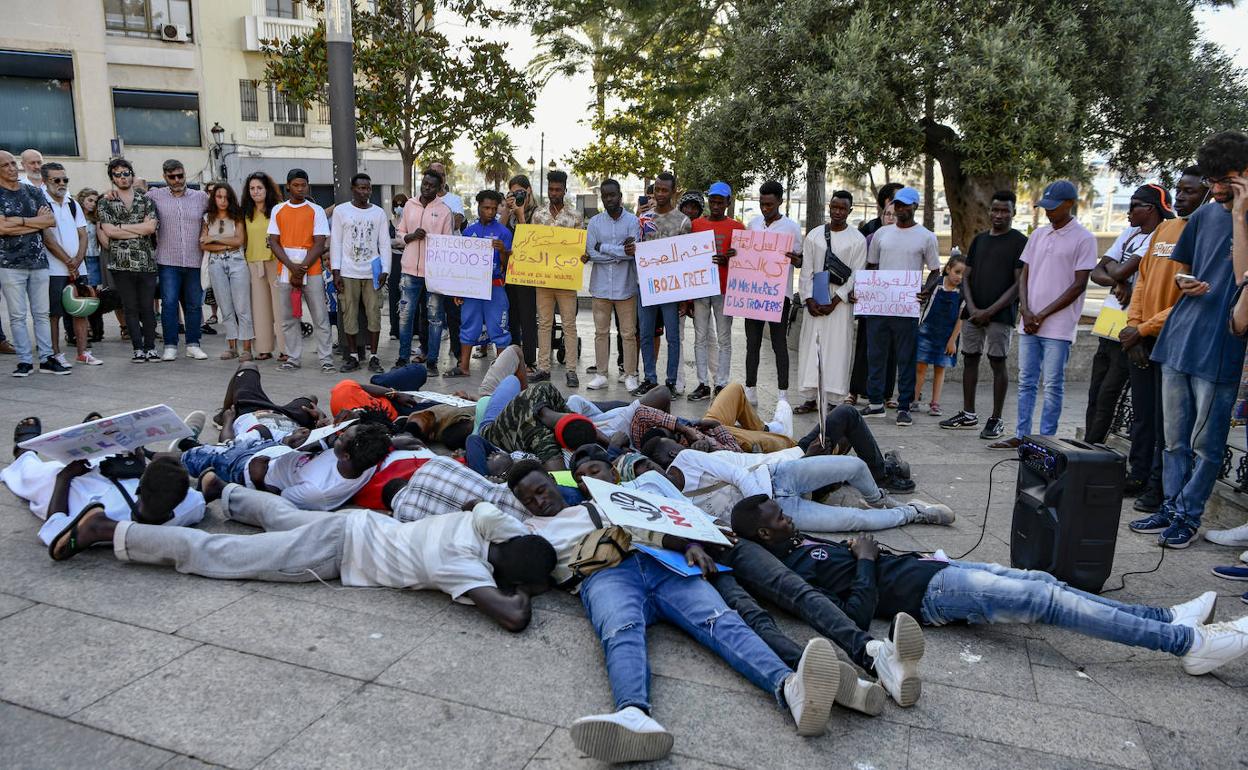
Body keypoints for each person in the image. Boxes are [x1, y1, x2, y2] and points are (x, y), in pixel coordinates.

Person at [505, 462, 845, 763]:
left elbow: (645, 527)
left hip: (657, 564)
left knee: (721, 620)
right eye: (528, 500)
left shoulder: (598, 503)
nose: (539, 501)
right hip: (602, 577)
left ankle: (789, 688)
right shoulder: (529, 531)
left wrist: (691, 545)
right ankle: (633, 715)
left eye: (541, 490)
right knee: (620, 631)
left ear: (552, 481)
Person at [731, 495, 1248, 678]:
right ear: (761, 534)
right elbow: (857, 616)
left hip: (932, 570)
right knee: (1042, 599)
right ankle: (1190, 645)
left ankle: (1165, 620)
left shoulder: (798, 547)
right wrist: (865, 561)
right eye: (778, 519)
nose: (787, 520)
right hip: (930, 595)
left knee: (1043, 579)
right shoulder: (793, 574)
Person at [48, 481, 556, 633]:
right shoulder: (463, 569)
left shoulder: (485, 526)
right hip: (340, 549)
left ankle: (226, 492)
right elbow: (511, 616)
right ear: (504, 570)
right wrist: (526, 591)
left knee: (285, 517)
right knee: (224, 554)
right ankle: (109, 530)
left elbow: (482, 505)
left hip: (362, 524)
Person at [1130, 131, 1248, 548]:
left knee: (1206, 442)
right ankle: (1170, 505)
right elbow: (1183, 269)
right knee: (1175, 438)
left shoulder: (1240, 215)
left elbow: (1239, 278)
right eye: (1213, 181)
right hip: (1180, 336)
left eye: (1224, 180)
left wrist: (1240, 214)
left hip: (1220, 346)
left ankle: (1189, 515)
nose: (1215, 189)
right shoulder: (1204, 214)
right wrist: (1185, 281)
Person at [1120, 169, 1208, 517]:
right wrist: (1134, 327)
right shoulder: (1165, 230)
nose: (1182, 198)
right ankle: (1138, 475)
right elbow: (1142, 282)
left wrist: (1143, 330)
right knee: (1142, 416)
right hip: (1142, 338)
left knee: (1166, 424)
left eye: (1190, 192)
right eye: (1180, 191)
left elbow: (1190, 298)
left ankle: (1159, 488)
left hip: (1175, 342)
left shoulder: (1205, 233)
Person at [987, 180, 1097, 450]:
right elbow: (1025, 273)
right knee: (1025, 381)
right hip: (1030, 321)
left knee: (1052, 385)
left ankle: (1047, 437)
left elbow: (1079, 284)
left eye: (1054, 207)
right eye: (1045, 206)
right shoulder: (1038, 234)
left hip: (1058, 326)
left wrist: (1044, 314)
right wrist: (1025, 309)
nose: (1048, 211)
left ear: (1070, 205)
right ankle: (1021, 434)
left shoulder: (1084, 238)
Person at [643, 437, 952, 532]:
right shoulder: (673, 503)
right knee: (854, 521)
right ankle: (913, 513)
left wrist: (764, 502)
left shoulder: (687, 458)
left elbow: (738, 475)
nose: (651, 473)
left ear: (665, 458)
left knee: (855, 466)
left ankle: (882, 499)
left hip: (779, 477)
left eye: (648, 465)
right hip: (778, 513)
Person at [1084, 185, 1171, 449]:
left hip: (1131, 328)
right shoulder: (1131, 232)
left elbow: (1118, 268)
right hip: (1108, 324)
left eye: (1134, 206)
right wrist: (1119, 281)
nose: (1128, 212)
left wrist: (1116, 274)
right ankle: (1087, 445)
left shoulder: (1158, 236)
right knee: (1096, 391)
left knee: (1110, 392)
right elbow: (1096, 272)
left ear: (1151, 209)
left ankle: (1094, 447)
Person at [940, 191, 1027, 439]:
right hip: (973, 312)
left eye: (1004, 210)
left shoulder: (1019, 241)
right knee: (970, 358)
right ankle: (968, 413)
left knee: (997, 362)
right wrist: (973, 306)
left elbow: (1018, 284)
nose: (999, 215)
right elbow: (966, 276)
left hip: (999, 314)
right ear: (989, 211)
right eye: (995, 210)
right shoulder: (979, 240)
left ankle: (996, 418)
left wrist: (990, 311)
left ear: (1013, 212)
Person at [2, 445, 204, 547]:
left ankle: (24, 455)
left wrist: (65, 477)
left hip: (74, 488)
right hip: (114, 479)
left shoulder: (102, 514)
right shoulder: (192, 504)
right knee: (111, 455)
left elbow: (54, 526)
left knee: (39, 475)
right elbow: (178, 490)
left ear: (140, 487)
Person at [861, 186, 941, 427]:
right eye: (897, 204)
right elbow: (872, 266)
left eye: (905, 205)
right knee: (875, 354)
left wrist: (926, 291)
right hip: (880, 306)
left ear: (915, 207)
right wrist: (868, 291)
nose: (900, 209)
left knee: (905, 358)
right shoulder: (881, 234)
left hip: (906, 308)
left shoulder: (926, 236)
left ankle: (904, 405)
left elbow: (936, 270)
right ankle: (875, 402)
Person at [795, 191, 865, 414]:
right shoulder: (815, 235)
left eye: (842, 208)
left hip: (840, 303)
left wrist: (835, 301)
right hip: (815, 299)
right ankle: (810, 398)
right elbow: (806, 271)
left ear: (849, 210)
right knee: (811, 347)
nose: (837, 212)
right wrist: (809, 299)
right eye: (834, 207)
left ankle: (834, 398)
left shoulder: (857, 240)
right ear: (829, 207)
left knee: (837, 348)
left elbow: (857, 274)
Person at [742, 180, 804, 406]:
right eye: (762, 204)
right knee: (752, 343)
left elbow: (800, 261)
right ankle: (750, 389)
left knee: (779, 344)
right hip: (753, 294)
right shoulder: (753, 224)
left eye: (769, 204)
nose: (765, 208)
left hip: (779, 295)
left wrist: (793, 258)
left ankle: (783, 393)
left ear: (779, 201)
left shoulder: (791, 228)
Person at [268, 168, 334, 373]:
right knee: (288, 317)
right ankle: (293, 358)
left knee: (320, 316)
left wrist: (302, 267)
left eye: (303, 185)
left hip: (311, 269)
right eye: (295, 185)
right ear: (288, 186)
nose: (299, 189)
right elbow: (273, 241)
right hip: (286, 269)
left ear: (308, 186)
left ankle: (326, 359)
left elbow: (320, 242)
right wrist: (291, 267)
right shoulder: (278, 210)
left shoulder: (316, 210)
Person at [144, 159, 209, 361]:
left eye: (180, 175)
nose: (177, 180)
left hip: (194, 259)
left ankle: (193, 343)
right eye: (172, 177)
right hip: (168, 260)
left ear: (185, 174)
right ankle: (170, 344)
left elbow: (222, 209)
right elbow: (132, 200)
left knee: (194, 305)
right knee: (169, 303)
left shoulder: (200, 197)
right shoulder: (155, 196)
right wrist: (112, 194)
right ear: (165, 177)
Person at [95, 158, 159, 363]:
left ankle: (151, 347)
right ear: (112, 178)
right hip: (120, 264)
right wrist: (137, 229)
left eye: (126, 173)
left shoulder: (146, 200)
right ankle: (138, 348)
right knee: (130, 307)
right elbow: (109, 231)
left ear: (132, 174)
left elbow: (150, 228)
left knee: (148, 307)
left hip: (145, 262)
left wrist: (121, 228)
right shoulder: (105, 201)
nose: (122, 177)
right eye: (117, 174)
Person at [0, 150, 57, 378]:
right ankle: (24, 361)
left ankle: (46, 358)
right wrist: (35, 222)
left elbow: (50, 220)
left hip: (38, 261)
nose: (12, 168)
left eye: (13, 163)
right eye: (5, 165)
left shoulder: (33, 192)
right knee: (17, 316)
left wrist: (18, 222)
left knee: (42, 313)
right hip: (9, 263)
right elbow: (1, 228)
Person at [634, 171, 691, 396]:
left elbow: (688, 260)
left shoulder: (683, 221)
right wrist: (632, 248)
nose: (659, 194)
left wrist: (686, 297)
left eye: (664, 190)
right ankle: (649, 378)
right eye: (657, 189)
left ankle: (671, 381)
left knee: (673, 336)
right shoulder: (644, 218)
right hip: (646, 285)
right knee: (646, 333)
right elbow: (636, 246)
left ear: (673, 192)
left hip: (671, 287)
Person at [849, 183, 904, 405]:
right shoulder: (869, 229)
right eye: (897, 199)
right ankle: (855, 390)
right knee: (864, 343)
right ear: (885, 202)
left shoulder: (906, 230)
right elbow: (860, 262)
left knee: (892, 346)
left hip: (895, 299)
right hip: (870, 299)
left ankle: (886, 393)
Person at [689, 180, 744, 400]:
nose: (716, 205)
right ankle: (702, 383)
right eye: (712, 200)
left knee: (724, 338)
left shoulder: (738, 228)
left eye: (720, 202)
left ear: (728, 202)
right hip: (701, 289)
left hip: (724, 289)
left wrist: (731, 258)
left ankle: (721, 383)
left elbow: (746, 260)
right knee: (700, 337)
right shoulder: (696, 225)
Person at [396, 168, 456, 372]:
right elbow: (399, 234)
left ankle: (432, 362)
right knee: (405, 315)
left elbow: (448, 243)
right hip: (409, 271)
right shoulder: (409, 205)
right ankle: (403, 359)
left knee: (435, 318)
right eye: (424, 183)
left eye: (431, 185)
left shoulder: (445, 211)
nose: (426, 188)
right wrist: (411, 236)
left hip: (434, 273)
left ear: (439, 188)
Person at [584, 179, 641, 391]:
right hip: (600, 287)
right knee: (601, 332)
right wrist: (618, 252)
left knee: (628, 333)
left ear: (620, 196)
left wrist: (604, 247)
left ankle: (630, 374)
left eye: (613, 195)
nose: (609, 199)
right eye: (605, 196)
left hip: (625, 287)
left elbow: (632, 253)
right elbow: (592, 253)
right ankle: (601, 374)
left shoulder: (632, 222)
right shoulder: (595, 223)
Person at [530, 169, 584, 387]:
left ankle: (571, 370)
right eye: (551, 189)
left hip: (566, 280)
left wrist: (583, 255)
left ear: (564, 190)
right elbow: (532, 244)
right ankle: (543, 368)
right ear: (548, 189)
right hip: (543, 279)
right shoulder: (538, 215)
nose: (554, 193)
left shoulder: (575, 217)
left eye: (558, 189)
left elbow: (580, 248)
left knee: (569, 324)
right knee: (544, 323)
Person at [330, 173, 389, 374]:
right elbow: (335, 243)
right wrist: (335, 272)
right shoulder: (341, 211)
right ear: (353, 189)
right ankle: (353, 356)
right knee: (349, 314)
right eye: (361, 188)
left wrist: (385, 270)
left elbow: (384, 243)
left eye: (368, 188)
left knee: (374, 313)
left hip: (372, 271)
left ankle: (374, 356)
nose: (365, 192)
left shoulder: (379, 213)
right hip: (348, 271)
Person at [40, 162, 97, 369]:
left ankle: (83, 353)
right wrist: (67, 261)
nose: (62, 183)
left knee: (80, 310)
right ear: (46, 181)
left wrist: (78, 260)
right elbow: (47, 238)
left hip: (77, 267)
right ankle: (56, 354)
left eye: (65, 179)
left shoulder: (72, 203)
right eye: (57, 180)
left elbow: (83, 234)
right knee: (54, 313)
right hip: (54, 269)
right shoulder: (42, 203)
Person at [456, 190, 514, 377]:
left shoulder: (504, 233)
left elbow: (509, 267)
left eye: (493, 209)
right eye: (485, 208)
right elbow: (461, 264)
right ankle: (463, 366)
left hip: (495, 285)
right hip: (472, 287)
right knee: (468, 325)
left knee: (499, 328)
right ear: (478, 207)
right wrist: (458, 291)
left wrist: (504, 251)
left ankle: (502, 373)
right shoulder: (468, 232)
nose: (489, 212)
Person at [201, 182, 252, 361]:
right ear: (214, 198)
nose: (223, 201)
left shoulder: (237, 215)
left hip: (237, 260)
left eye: (226, 197)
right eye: (219, 196)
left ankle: (246, 348)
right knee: (225, 307)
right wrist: (224, 243)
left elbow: (239, 241)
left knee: (242, 307)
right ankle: (232, 347)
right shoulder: (208, 217)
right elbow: (202, 243)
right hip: (216, 263)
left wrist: (213, 238)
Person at [914, 253, 966, 416]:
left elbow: (961, 318)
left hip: (947, 335)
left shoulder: (963, 292)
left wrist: (952, 340)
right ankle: (914, 399)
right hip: (927, 331)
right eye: (957, 272)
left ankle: (935, 403)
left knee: (940, 367)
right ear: (948, 269)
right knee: (920, 366)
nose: (959, 277)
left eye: (964, 274)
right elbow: (923, 299)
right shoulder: (936, 284)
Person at [242, 171, 285, 361]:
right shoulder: (245, 212)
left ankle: (286, 349)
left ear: (267, 189)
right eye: (252, 188)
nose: (255, 192)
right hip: (253, 261)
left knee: (280, 308)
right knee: (260, 309)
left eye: (259, 188)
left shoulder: (278, 210)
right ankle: (264, 348)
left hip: (275, 261)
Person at [502, 174, 540, 370]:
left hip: (529, 271)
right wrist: (508, 211)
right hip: (510, 268)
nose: (517, 195)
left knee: (527, 315)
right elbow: (499, 232)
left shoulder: (537, 212)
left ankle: (530, 359)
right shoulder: (508, 210)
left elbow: (530, 240)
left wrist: (520, 214)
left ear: (529, 191)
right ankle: (513, 356)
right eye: (513, 192)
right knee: (512, 314)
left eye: (520, 192)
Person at [75, 187, 108, 343]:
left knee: (94, 294)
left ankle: (97, 330)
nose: (93, 204)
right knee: (82, 293)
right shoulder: (75, 217)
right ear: (81, 199)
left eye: (95, 201)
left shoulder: (96, 219)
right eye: (90, 200)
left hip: (94, 258)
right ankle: (84, 328)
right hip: (81, 258)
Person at [387, 192, 408, 341]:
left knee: (408, 295)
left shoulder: (409, 222)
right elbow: (387, 241)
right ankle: (394, 329)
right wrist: (398, 242)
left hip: (407, 259)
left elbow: (406, 241)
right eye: (397, 204)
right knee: (394, 293)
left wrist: (398, 242)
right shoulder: (389, 223)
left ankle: (412, 330)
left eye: (402, 204)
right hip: (393, 260)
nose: (399, 207)